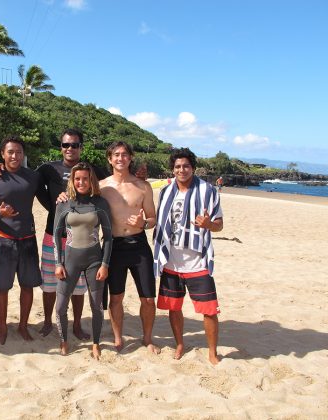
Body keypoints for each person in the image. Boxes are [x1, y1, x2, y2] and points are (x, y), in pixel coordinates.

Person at [0, 136, 50, 345]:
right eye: (10, 152)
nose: (14, 156)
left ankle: (23, 326)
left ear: (23, 154)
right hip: (3, 240)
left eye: (18, 152)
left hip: (28, 239)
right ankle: (2, 329)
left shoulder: (33, 177)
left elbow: (49, 199)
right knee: (2, 288)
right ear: (2, 154)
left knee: (27, 286)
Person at [153, 147, 223, 365]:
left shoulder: (208, 191)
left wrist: (208, 224)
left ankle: (212, 352)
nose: (181, 170)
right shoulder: (166, 192)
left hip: (197, 261)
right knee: (174, 307)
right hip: (171, 260)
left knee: (209, 310)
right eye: (177, 167)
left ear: (193, 168)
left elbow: (219, 225)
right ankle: (180, 343)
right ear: (172, 169)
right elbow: (161, 222)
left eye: (185, 166)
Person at [99, 141, 160, 354]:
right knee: (116, 297)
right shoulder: (101, 186)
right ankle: (117, 338)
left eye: (125, 154)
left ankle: (147, 338)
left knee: (148, 298)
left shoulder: (143, 187)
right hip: (114, 246)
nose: (120, 158)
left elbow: (153, 218)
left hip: (139, 245)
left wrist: (143, 223)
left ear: (130, 157)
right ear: (110, 159)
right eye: (116, 155)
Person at [53, 163, 112, 360]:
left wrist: (105, 264)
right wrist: (58, 263)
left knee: (96, 305)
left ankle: (95, 343)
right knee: (60, 306)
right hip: (69, 260)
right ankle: (63, 340)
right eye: (77, 179)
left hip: (94, 260)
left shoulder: (100, 203)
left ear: (91, 180)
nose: (81, 182)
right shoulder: (64, 203)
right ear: (72, 180)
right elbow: (56, 236)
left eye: (85, 179)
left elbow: (109, 237)